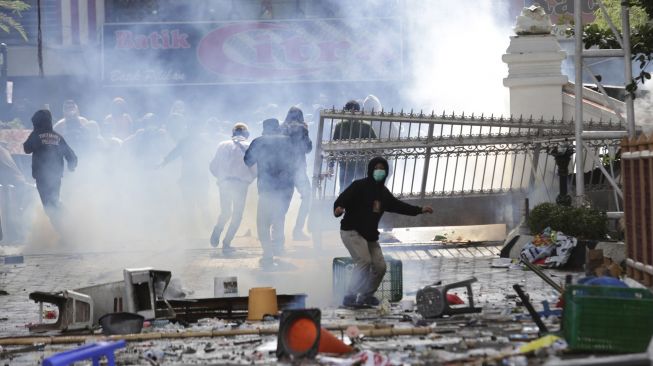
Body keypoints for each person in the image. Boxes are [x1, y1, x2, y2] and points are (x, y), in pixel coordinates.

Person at [334, 156, 433, 307]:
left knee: (380, 267)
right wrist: (338, 208)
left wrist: (419, 210)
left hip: (369, 235)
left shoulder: (383, 194)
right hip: (351, 231)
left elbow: (399, 206)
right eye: (377, 168)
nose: (379, 171)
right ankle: (350, 296)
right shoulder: (359, 186)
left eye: (382, 169)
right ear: (371, 170)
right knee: (364, 261)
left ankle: (366, 295)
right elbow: (343, 199)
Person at [244, 118, 295, 266]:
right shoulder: (289, 141)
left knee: (263, 223)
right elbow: (297, 162)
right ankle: (278, 248)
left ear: (264, 128)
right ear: (278, 128)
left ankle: (268, 254)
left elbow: (248, 161)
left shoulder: (259, 141)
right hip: (287, 187)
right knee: (279, 218)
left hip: (267, 188)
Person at [23, 109, 78, 227]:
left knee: (49, 206)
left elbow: (26, 149)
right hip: (56, 177)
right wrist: (71, 166)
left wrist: (34, 133)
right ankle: (69, 230)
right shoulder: (58, 137)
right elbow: (71, 155)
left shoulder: (36, 135)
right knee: (53, 202)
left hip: (42, 178)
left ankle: (69, 227)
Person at [209, 123, 256, 252]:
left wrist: (221, 178)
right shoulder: (249, 146)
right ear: (246, 134)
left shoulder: (222, 145)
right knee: (237, 214)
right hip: (241, 184)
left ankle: (217, 230)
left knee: (225, 212)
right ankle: (226, 243)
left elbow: (213, 166)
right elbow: (254, 169)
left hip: (224, 183)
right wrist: (250, 179)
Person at [281, 106, 312, 241]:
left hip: (282, 170)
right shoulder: (302, 129)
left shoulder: (281, 128)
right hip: (298, 169)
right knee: (308, 196)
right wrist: (306, 132)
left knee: (281, 201)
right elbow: (308, 148)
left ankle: (277, 232)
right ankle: (297, 230)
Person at [331, 100, 377, 192]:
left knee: (344, 192)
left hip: (347, 164)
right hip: (359, 164)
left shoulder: (340, 125)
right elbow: (375, 147)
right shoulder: (366, 126)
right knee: (361, 192)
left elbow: (333, 147)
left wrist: (331, 165)